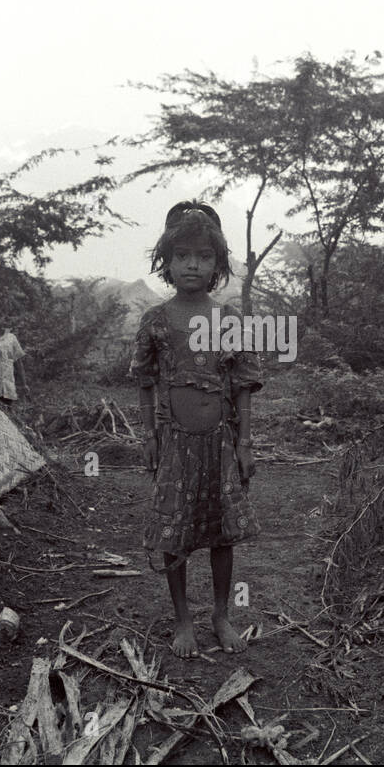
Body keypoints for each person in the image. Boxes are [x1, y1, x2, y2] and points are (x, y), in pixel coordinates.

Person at [129, 201, 262, 658]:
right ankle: (183, 619)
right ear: (166, 260)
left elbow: (243, 384)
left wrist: (246, 443)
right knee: (175, 532)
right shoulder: (155, 321)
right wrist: (148, 438)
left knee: (222, 533)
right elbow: (145, 382)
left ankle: (222, 615)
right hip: (174, 446)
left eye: (204, 256)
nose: (192, 264)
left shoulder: (228, 320)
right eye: (183, 254)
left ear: (217, 264)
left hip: (222, 443)